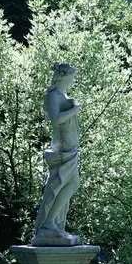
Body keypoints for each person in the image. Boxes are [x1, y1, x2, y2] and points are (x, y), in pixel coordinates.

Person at [31, 62, 82, 245]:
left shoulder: (63, 95)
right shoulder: (52, 96)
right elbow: (55, 121)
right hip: (63, 150)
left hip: (71, 149)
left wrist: (72, 105)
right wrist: (74, 110)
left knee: (71, 184)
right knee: (58, 185)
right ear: (63, 77)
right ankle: (48, 224)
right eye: (71, 77)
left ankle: (53, 223)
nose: (73, 80)